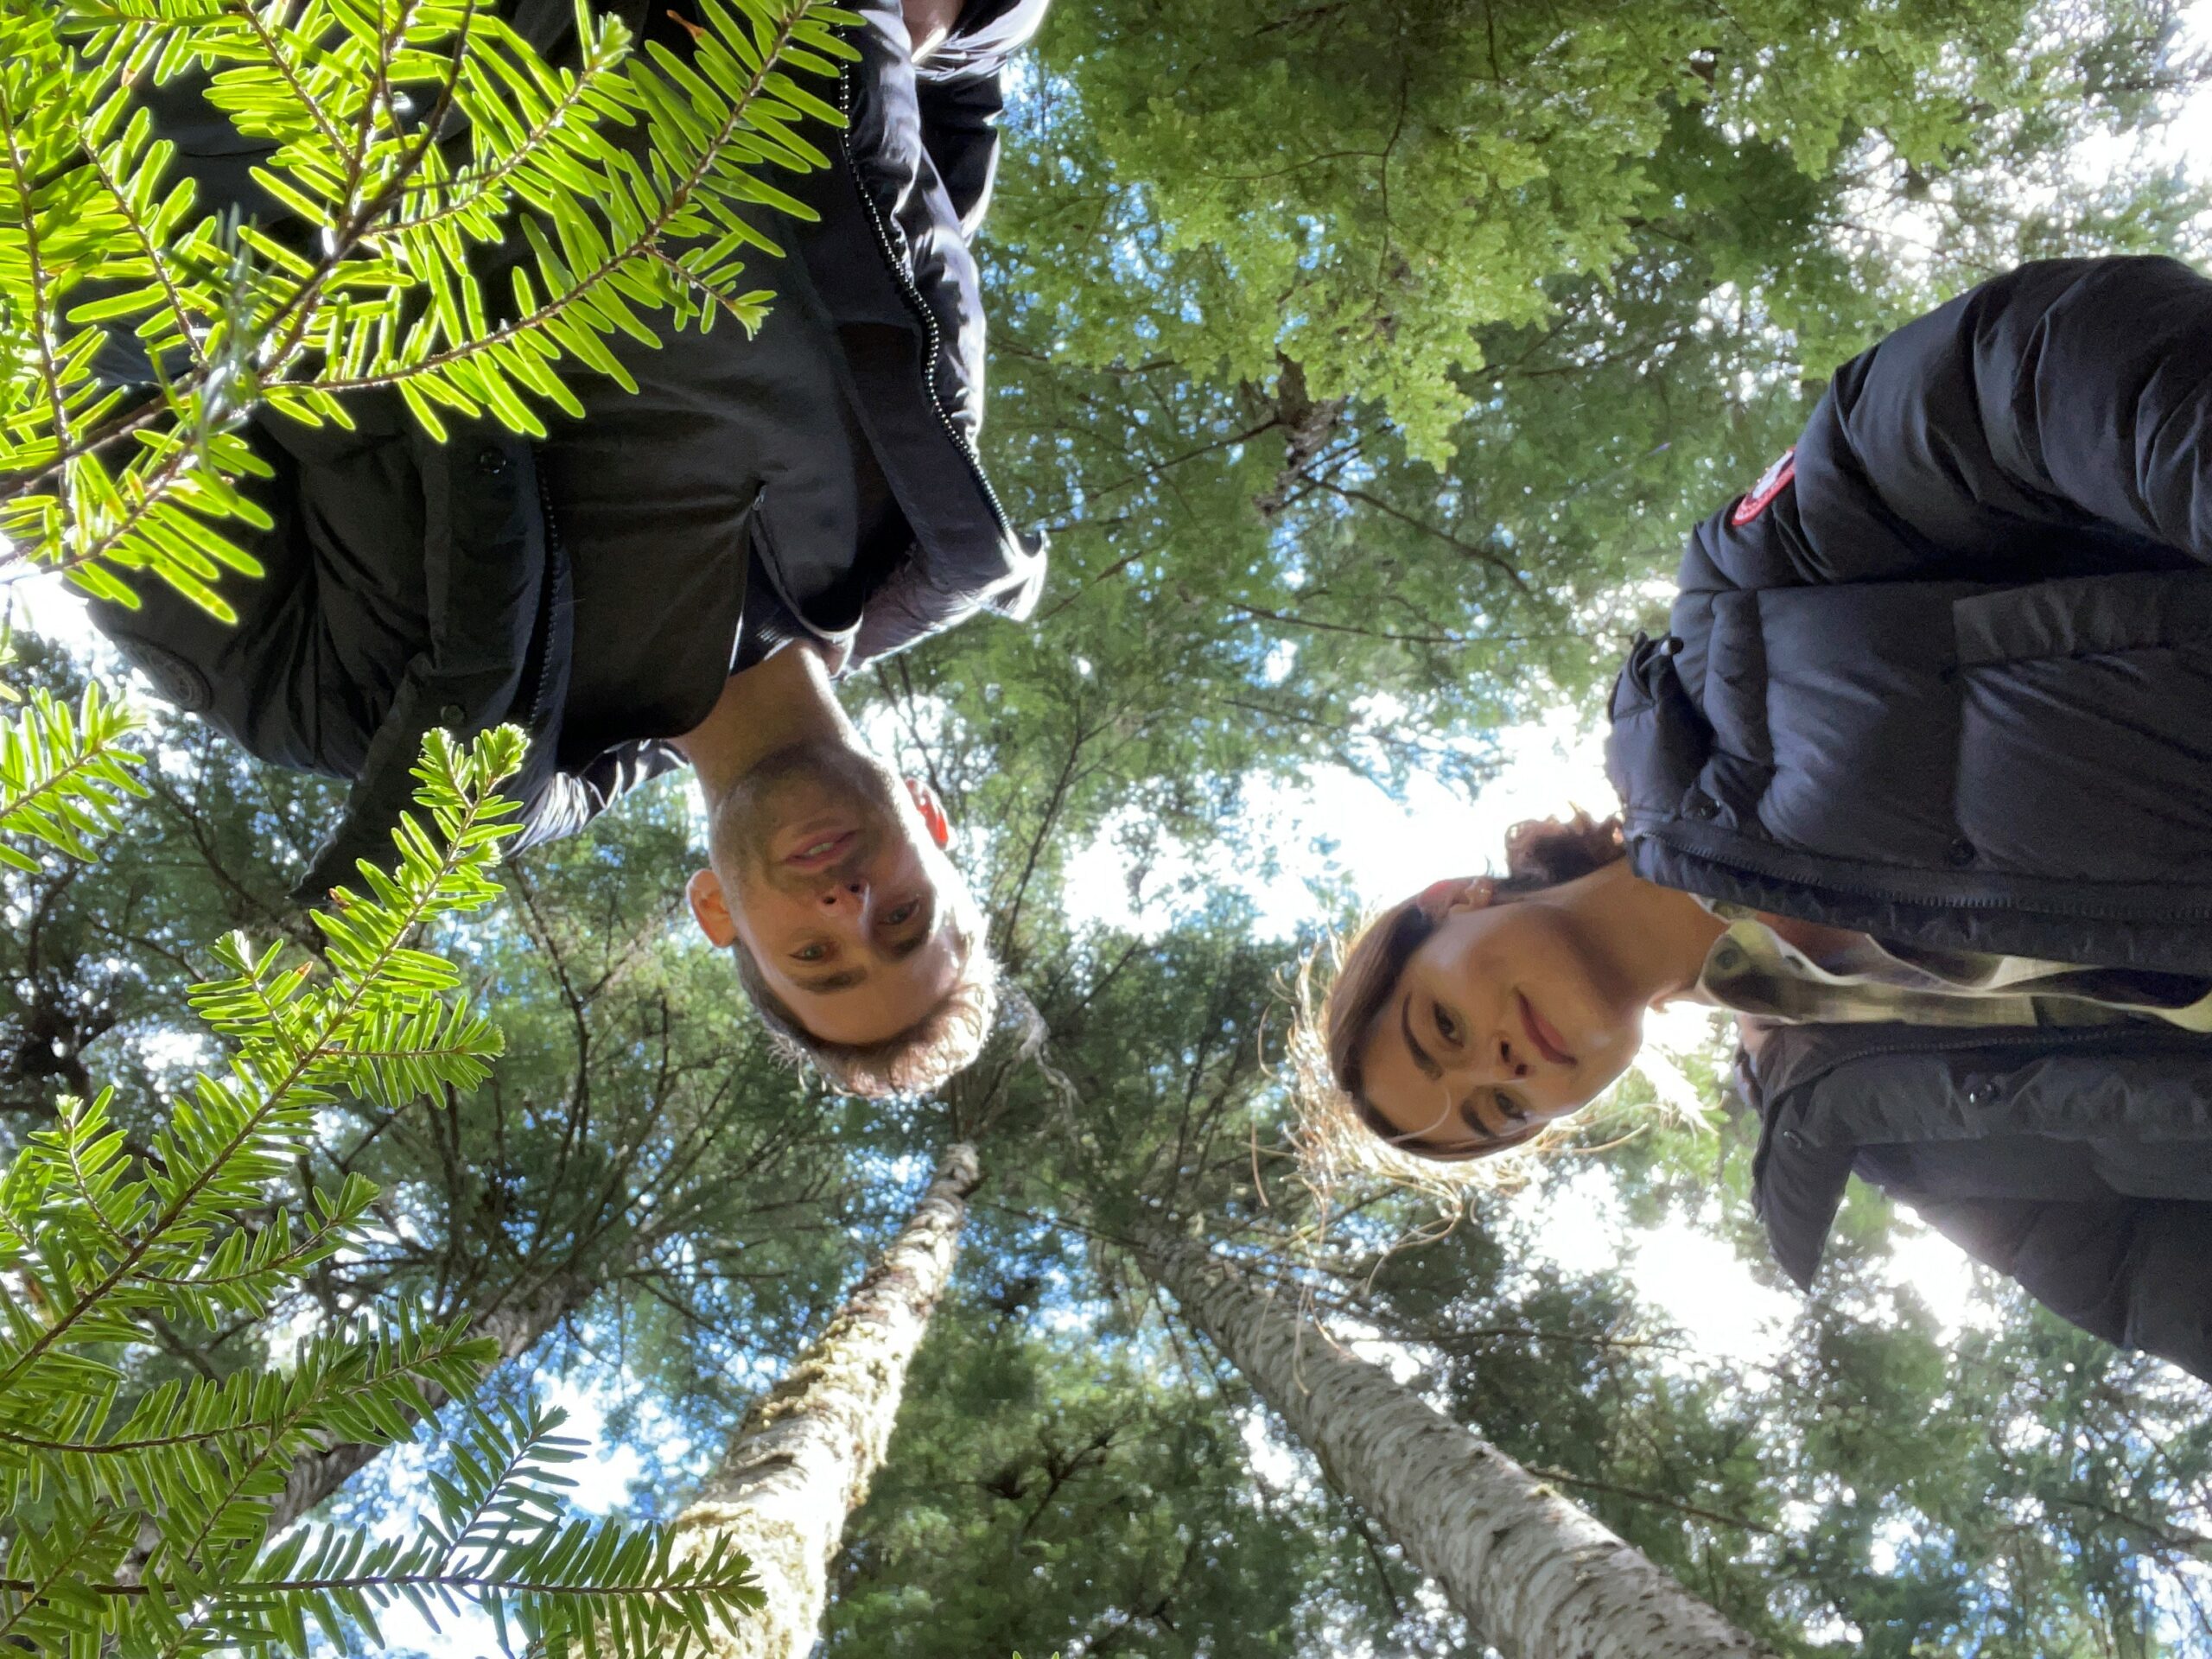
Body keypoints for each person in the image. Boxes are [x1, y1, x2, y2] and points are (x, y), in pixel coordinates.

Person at [85, 0, 1052, 1096]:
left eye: (818, 958)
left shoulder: (359, 711)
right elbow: (958, 92)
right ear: (931, 820)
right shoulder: (930, 486)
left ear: (716, 912)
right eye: (906, 917)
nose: (849, 908)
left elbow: (79, 443)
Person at [1313, 254, 2212, 1382]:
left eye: (1441, 1027)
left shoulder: (1744, 622)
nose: (1499, 1064)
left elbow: (2011, 370)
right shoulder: (1860, 1126)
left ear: (1453, 906)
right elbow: (2141, 1274)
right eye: (1502, 1109)